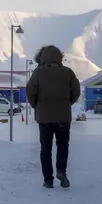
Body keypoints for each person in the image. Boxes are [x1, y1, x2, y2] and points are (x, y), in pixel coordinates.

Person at [26, 45, 81, 189]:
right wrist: (66, 103)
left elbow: (30, 91)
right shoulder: (68, 72)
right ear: (59, 57)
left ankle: (48, 180)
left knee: (46, 148)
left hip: (44, 117)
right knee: (63, 145)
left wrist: (37, 106)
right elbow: (76, 92)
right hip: (63, 116)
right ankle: (61, 171)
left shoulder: (38, 72)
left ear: (42, 57)